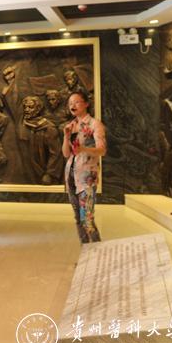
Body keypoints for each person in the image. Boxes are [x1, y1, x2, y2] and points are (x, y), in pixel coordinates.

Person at [62, 91, 106, 244]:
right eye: (70, 103)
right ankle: (86, 251)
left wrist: (84, 149)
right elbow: (66, 154)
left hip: (87, 176)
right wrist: (66, 136)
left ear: (86, 104)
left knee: (86, 218)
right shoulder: (71, 125)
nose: (72, 106)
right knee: (78, 218)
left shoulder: (95, 124)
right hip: (71, 175)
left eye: (76, 102)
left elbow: (102, 150)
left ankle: (98, 251)